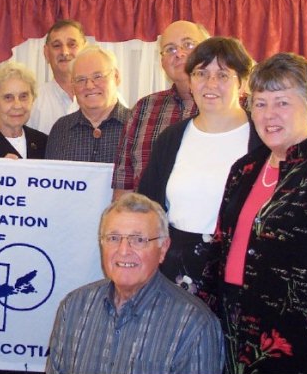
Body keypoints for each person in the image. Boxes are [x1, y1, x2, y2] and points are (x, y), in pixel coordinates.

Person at [137, 37, 260, 301]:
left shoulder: (262, 140)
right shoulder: (171, 138)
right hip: (174, 273)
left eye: (223, 75)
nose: (210, 83)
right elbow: (148, 209)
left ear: (242, 82)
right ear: (191, 81)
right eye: (201, 73)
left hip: (242, 276)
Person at [46, 193, 223, 374]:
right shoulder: (74, 307)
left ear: (163, 248)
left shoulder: (194, 324)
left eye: (138, 240)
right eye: (114, 238)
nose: (123, 251)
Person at [213, 53, 307, 373]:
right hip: (236, 323)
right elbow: (222, 244)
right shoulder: (245, 169)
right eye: (260, 103)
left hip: (296, 335)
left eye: (282, 102)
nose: (269, 114)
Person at [112, 20, 209, 199]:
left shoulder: (233, 108)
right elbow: (123, 187)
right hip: (148, 216)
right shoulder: (143, 109)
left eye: (188, 45)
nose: (179, 53)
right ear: (162, 62)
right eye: (170, 49)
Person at [45, 46, 131, 162]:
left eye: (98, 76)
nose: (89, 86)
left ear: (116, 77)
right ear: (73, 85)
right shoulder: (60, 129)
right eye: (81, 79)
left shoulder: (138, 127)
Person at [27, 19, 87, 134]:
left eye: (72, 44)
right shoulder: (32, 103)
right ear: (46, 53)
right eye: (57, 45)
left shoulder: (106, 97)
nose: (64, 52)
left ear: (85, 49)